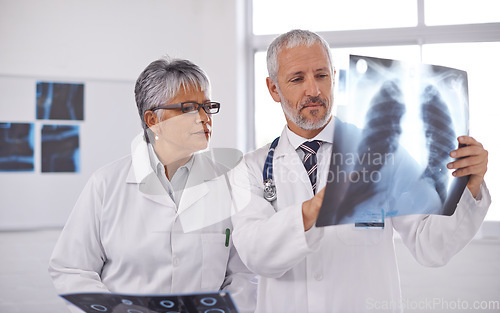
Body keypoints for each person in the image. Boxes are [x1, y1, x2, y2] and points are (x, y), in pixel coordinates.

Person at [229, 29, 491, 313]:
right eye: (297, 79)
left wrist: (470, 184)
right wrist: (315, 208)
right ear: (273, 89)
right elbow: (257, 255)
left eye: (321, 75)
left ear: (335, 77)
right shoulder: (252, 168)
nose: (313, 90)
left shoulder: (384, 154)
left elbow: (431, 245)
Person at [48, 57, 256, 313]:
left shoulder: (230, 184)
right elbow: (72, 268)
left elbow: (246, 273)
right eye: (189, 108)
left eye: (207, 106)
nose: (204, 118)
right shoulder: (105, 184)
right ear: (153, 120)